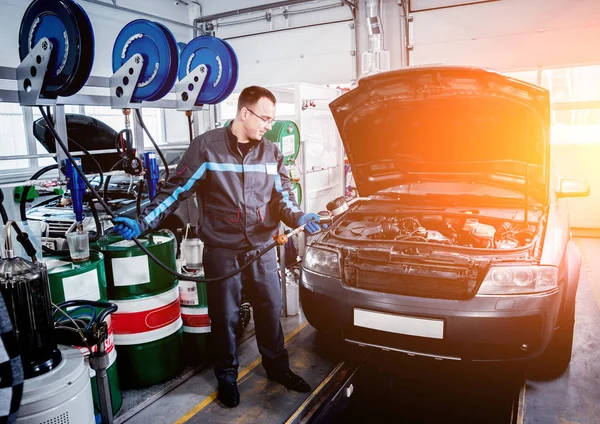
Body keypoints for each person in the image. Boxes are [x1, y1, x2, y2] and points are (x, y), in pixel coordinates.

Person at [113, 86, 323, 408]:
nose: (269, 125)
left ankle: (277, 368)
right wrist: (143, 222)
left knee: (270, 310)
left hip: (263, 247)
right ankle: (227, 377)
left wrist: (299, 214)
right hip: (223, 250)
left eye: (271, 120)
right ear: (244, 113)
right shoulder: (206, 148)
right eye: (265, 118)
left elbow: (282, 199)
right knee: (223, 318)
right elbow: (175, 191)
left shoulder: (271, 152)